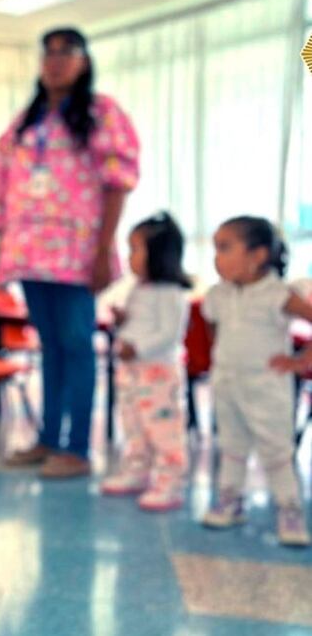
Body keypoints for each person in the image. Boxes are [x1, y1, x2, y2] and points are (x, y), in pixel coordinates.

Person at [0, 27, 140, 478]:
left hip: (76, 252)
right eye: (48, 53)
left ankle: (76, 449)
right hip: (30, 252)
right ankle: (49, 438)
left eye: (66, 52)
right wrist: (3, 248)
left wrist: (102, 250)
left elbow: (117, 183)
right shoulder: (25, 121)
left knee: (76, 346)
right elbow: (0, 183)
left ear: (84, 61)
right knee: (50, 346)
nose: (54, 61)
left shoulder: (101, 113)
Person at [200, 216, 310, 547]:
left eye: (225, 248)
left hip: (267, 387)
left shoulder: (277, 294)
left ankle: (289, 508)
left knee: (275, 448)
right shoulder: (216, 295)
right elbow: (213, 331)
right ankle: (230, 500)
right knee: (231, 445)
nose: (216, 257)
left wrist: (301, 360)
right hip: (228, 385)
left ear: (258, 255)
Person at [100, 213, 191, 511]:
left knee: (163, 429)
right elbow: (142, 324)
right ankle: (137, 471)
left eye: (136, 249)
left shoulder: (172, 293)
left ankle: (170, 482)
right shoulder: (139, 288)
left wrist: (137, 348)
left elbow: (169, 334)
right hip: (131, 373)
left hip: (157, 374)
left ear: (160, 253)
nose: (130, 258)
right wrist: (123, 320)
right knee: (134, 425)